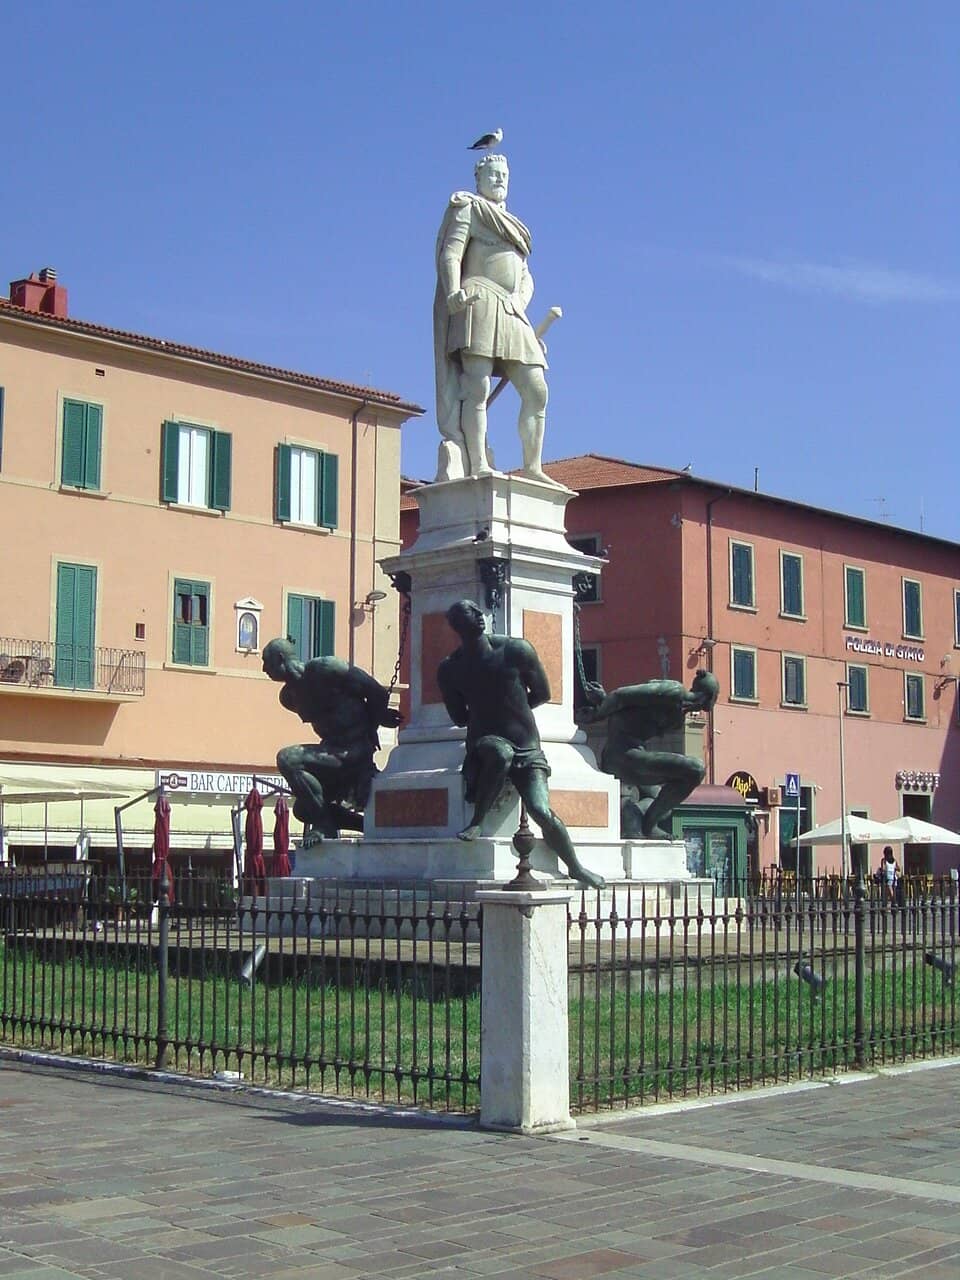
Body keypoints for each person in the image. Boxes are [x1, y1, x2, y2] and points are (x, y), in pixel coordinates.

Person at [436, 600, 604, 889]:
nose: (478, 615)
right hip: (485, 742)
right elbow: (459, 717)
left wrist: (511, 711)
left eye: (477, 611)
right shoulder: (450, 669)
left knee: (541, 810)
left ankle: (575, 867)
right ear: (456, 626)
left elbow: (542, 693)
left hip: (526, 744)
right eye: (469, 613)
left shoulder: (515, 651)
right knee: (500, 753)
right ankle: (477, 821)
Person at [434, 154, 551, 483]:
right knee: (477, 386)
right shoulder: (468, 208)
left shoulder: (515, 226)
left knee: (537, 390)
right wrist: (452, 290)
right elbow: (451, 254)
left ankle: (533, 467)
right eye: (493, 174)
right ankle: (478, 463)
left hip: (512, 309)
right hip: (478, 299)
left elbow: (526, 275)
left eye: (504, 175)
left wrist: (520, 302)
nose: (500, 180)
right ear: (479, 178)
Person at [261, 639, 401, 844]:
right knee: (303, 809)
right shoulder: (289, 697)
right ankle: (365, 826)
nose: (264, 669)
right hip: (333, 755)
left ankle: (324, 826)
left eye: (266, 661)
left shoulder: (325, 668)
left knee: (287, 758)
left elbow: (376, 692)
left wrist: (375, 722)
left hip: (356, 749)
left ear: (280, 658)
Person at [577, 671, 720, 840]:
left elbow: (630, 714)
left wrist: (603, 700)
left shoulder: (678, 717)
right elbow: (621, 696)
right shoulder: (673, 691)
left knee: (663, 802)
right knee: (696, 769)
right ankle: (648, 824)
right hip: (621, 755)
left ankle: (638, 818)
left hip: (634, 756)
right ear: (709, 697)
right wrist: (597, 713)